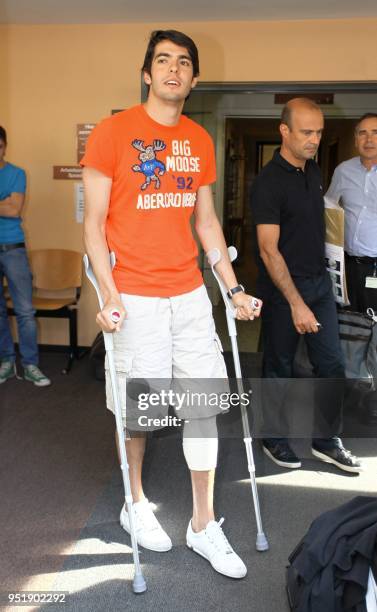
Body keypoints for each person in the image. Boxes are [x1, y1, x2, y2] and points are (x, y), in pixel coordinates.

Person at [82, 29, 261, 579]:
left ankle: (203, 524)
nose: (173, 70)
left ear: (194, 78)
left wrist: (232, 289)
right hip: (134, 296)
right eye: (163, 60)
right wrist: (107, 294)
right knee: (140, 412)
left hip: (188, 294)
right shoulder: (113, 134)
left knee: (204, 405)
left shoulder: (200, 140)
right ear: (146, 72)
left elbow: (205, 222)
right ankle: (134, 502)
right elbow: (92, 225)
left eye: (183, 63)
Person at [250, 98, 362, 473]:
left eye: (319, 132)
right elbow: (268, 250)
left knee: (331, 364)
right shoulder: (268, 183)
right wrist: (296, 303)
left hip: (319, 286)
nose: (314, 140)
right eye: (307, 132)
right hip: (284, 292)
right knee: (279, 367)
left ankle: (326, 439)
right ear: (284, 131)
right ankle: (274, 437)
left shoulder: (313, 171)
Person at [0, 126, 51, 387]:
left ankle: (30, 365)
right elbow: (6, 206)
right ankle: (6, 362)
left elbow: (14, 209)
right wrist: (4, 203)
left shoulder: (16, 174)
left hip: (12, 249)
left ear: (4, 146)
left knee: (25, 312)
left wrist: (9, 205)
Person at [326, 113, 377, 314]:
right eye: (362, 133)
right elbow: (329, 209)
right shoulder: (343, 171)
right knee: (349, 321)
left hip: (375, 265)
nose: (369, 139)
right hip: (347, 266)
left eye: (375, 133)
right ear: (356, 140)